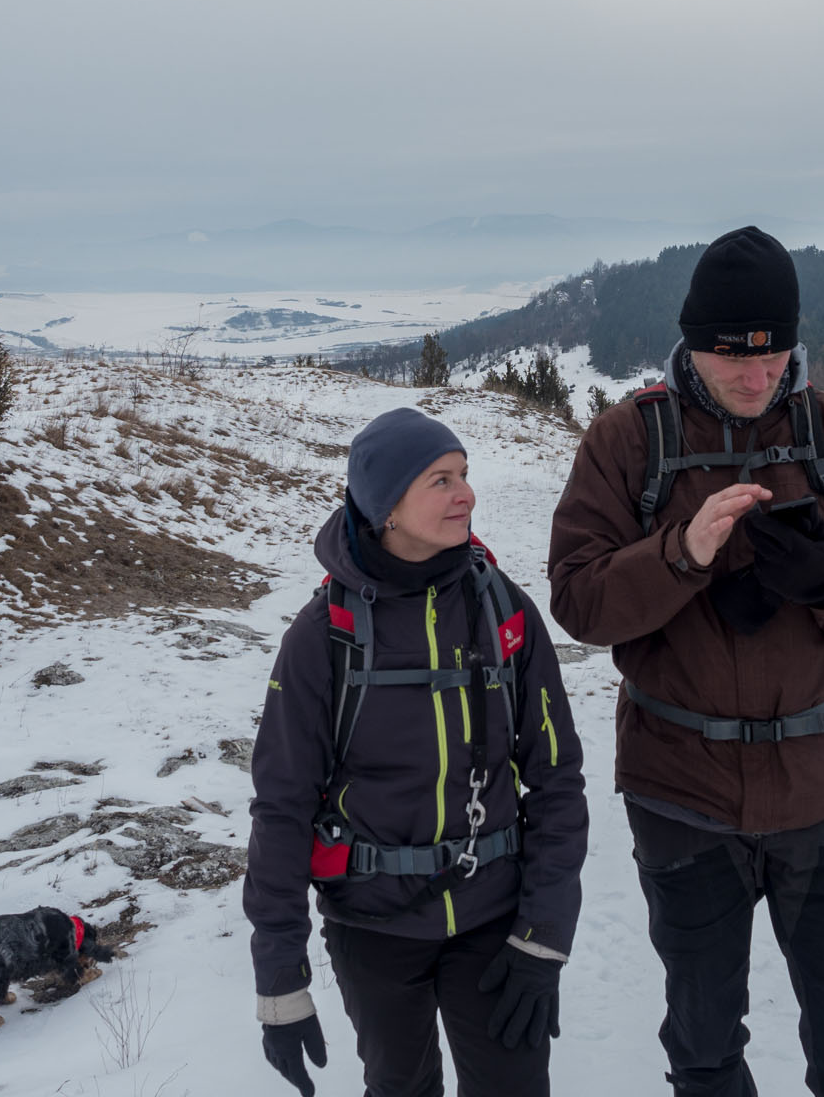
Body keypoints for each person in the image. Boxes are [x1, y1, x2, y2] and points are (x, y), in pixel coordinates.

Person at [547, 226, 824, 1097]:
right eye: (733, 358)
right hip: (680, 793)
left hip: (820, 791)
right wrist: (681, 554)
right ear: (693, 340)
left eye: (775, 355)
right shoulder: (627, 444)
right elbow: (578, 602)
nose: (757, 379)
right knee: (705, 1044)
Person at [245, 407, 589, 1097]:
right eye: (440, 480)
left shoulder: (504, 612)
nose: (466, 494)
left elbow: (556, 779)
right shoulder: (324, 638)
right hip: (371, 926)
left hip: (495, 919)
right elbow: (281, 807)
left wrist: (543, 933)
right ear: (386, 507)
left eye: (464, 475)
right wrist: (280, 979)